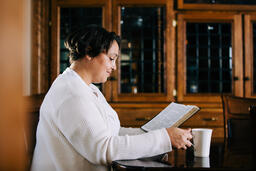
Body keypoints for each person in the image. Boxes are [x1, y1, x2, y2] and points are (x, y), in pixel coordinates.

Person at [31, 25, 193, 171]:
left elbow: (113, 132)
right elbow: (103, 149)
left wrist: (159, 134)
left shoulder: (87, 88)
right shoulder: (71, 94)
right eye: (111, 58)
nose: (114, 67)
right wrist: (165, 137)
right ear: (88, 52)